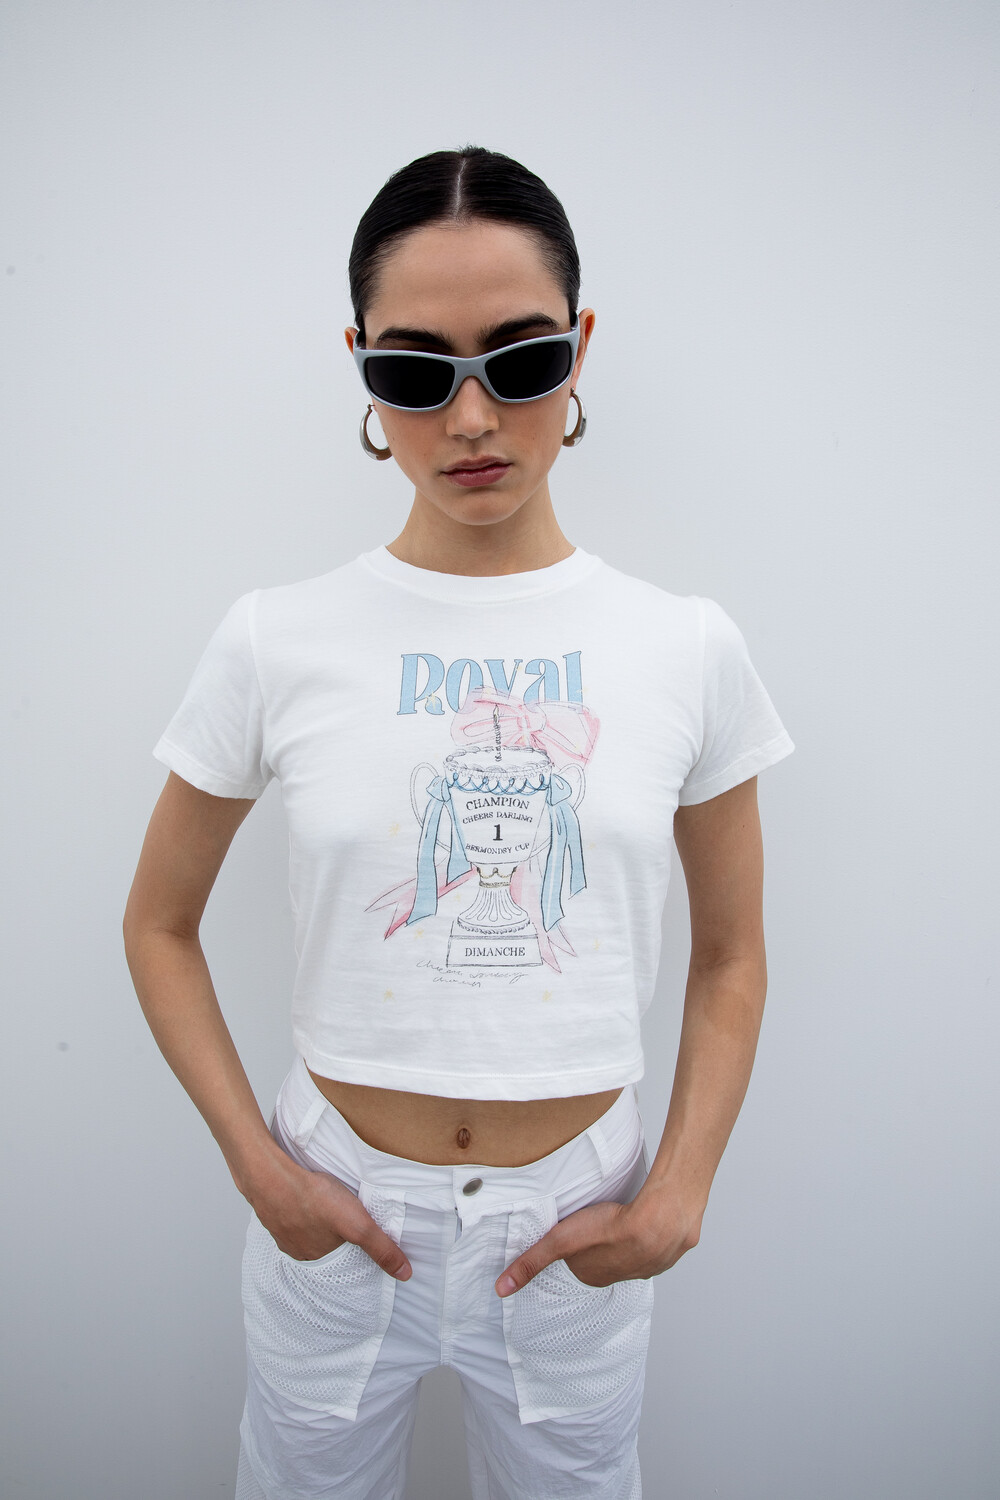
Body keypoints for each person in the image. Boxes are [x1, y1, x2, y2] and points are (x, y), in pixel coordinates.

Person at [123, 145, 795, 1500]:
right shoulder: (276, 640)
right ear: (363, 369)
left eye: (521, 358)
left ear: (581, 349)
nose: (474, 416)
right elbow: (158, 924)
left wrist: (681, 1193)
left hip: (577, 1221)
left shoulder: (685, 645)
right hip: (334, 1206)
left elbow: (731, 953)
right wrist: (259, 1168)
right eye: (416, 370)